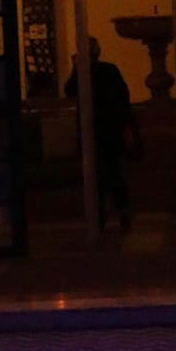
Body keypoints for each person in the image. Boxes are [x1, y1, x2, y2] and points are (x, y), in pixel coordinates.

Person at [66, 35, 134, 231]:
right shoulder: (109, 70)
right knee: (113, 173)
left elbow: (69, 92)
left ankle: (101, 214)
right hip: (109, 128)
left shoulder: (84, 74)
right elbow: (123, 98)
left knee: (97, 175)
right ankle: (121, 210)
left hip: (95, 128)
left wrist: (75, 70)